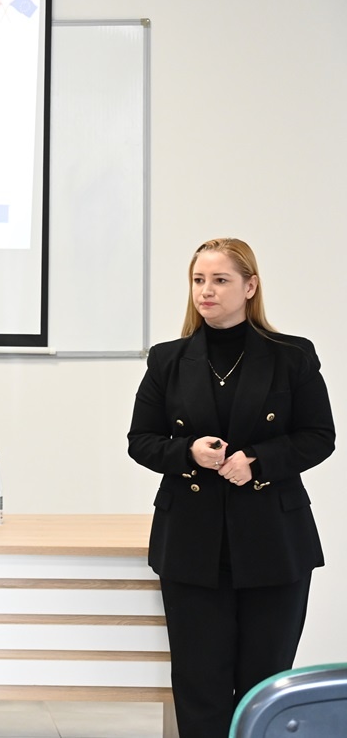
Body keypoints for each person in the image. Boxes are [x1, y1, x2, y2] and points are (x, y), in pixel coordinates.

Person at [127, 238, 334, 738]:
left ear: (250, 286)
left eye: (220, 280)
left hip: (273, 544)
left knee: (264, 682)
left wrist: (258, 461)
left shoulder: (292, 356)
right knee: (199, 683)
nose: (206, 290)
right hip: (192, 544)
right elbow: (141, 440)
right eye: (199, 280)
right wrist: (188, 454)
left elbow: (319, 436)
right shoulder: (168, 359)